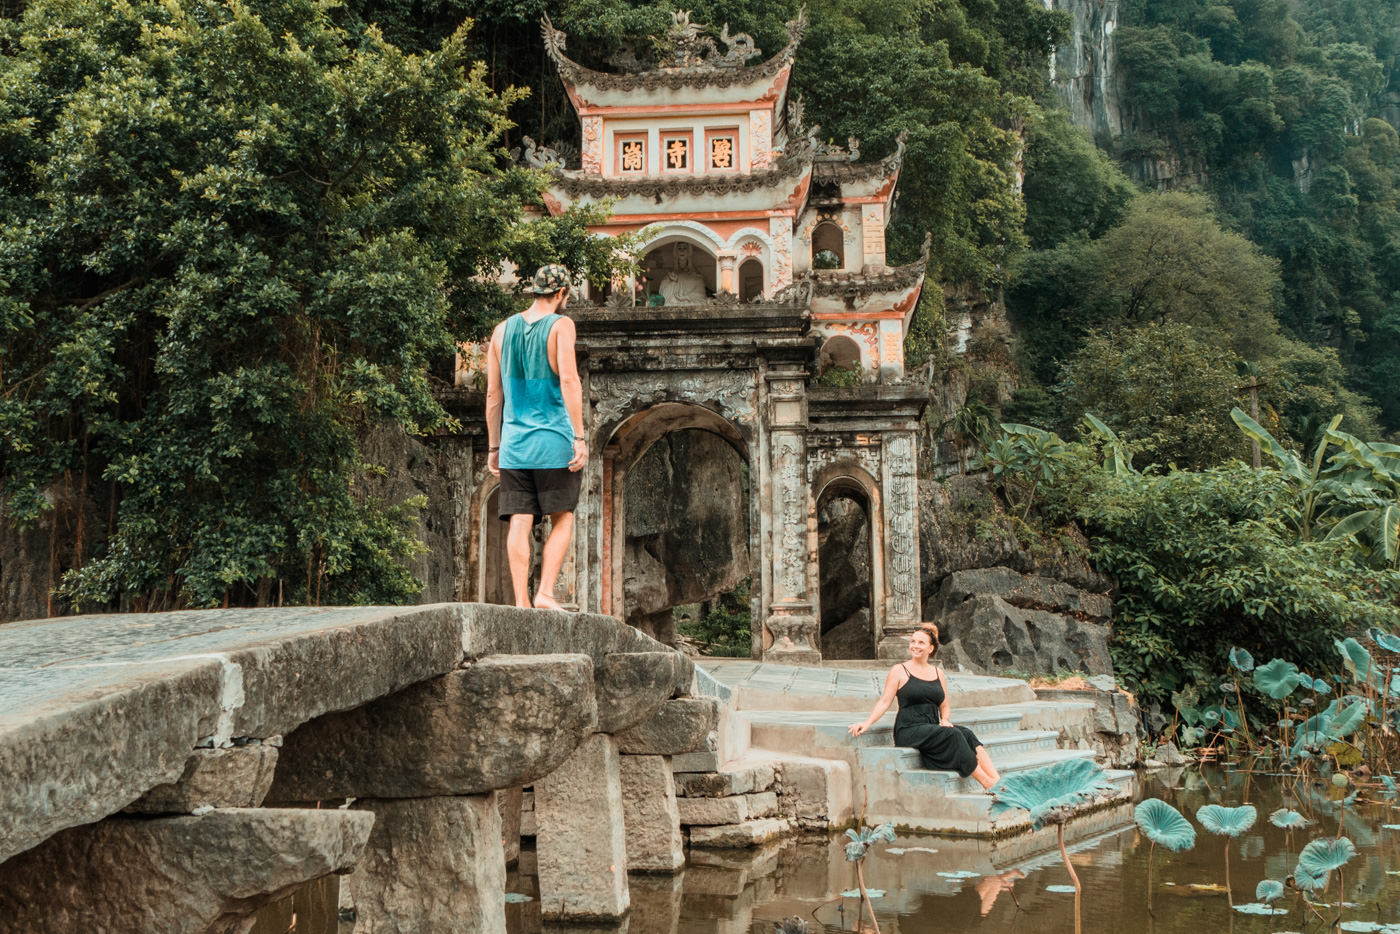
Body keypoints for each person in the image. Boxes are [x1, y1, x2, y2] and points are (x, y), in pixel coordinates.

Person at [485, 263, 587, 610]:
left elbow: (493, 396)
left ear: (534, 290)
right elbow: (570, 381)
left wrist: (494, 445)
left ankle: (521, 601)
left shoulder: (501, 331)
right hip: (553, 440)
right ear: (562, 294)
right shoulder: (561, 325)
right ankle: (545, 593)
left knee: (519, 518)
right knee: (563, 516)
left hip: (513, 443)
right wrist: (580, 437)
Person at [847, 623, 1002, 790]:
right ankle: (987, 783)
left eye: (921, 643)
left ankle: (998, 781)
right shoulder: (899, 670)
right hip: (909, 729)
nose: (915, 646)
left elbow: (945, 705)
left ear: (931, 648)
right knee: (954, 734)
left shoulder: (938, 673)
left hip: (931, 727)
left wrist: (945, 719)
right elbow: (885, 701)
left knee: (966, 733)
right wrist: (867, 723)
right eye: (913, 641)